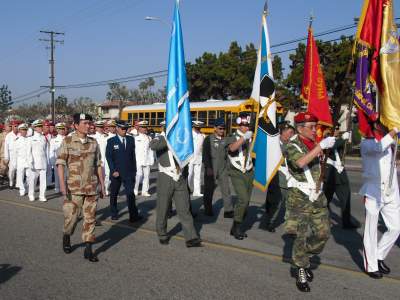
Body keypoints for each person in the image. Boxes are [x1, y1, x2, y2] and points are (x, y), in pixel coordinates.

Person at [285, 112, 336, 292]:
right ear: (300, 129)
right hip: (299, 197)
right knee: (300, 236)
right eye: (312, 127)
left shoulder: (314, 143)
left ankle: (304, 257)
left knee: (323, 234)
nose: (315, 130)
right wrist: (320, 146)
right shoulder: (292, 145)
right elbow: (300, 163)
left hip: (317, 197)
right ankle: (300, 267)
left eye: (316, 127)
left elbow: (320, 162)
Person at [56, 113, 105, 262]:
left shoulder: (94, 143)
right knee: (72, 217)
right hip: (74, 188)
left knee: (90, 218)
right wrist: (63, 187)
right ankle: (66, 236)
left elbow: (98, 165)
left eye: (90, 123)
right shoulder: (68, 141)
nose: (88, 125)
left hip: (91, 187)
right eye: (84, 123)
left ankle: (88, 249)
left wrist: (102, 185)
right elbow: (60, 164)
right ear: (76, 125)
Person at [360, 122, 400, 279]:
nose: (386, 126)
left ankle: (378, 255)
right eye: (382, 123)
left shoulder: (390, 141)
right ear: (375, 126)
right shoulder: (367, 143)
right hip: (374, 192)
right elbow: (378, 148)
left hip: (391, 192)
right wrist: (393, 131)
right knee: (370, 231)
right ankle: (371, 266)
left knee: (396, 228)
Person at [150, 130, 201, 247]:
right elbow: (153, 145)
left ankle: (191, 237)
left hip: (180, 177)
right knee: (163, 208)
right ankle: (162, 234)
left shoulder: (181, 138)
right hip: (166, 176)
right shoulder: (161, 138)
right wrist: (168, 139)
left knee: (185, 209)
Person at [225, 112, 254, 240]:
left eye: (248, 124)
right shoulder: (233, 136)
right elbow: (232, 148)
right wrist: (244, 138)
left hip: (249, 171)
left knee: (246, 202)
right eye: (244, 124)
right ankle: (237, 228)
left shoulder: (252, 136)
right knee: (242, 199)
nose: (246, 127)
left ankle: (235, 226)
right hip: (236, 171)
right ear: (238, 124)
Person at [106, 120, 142, 222]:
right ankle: (114, 212)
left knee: (131, 194)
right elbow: (109, 157)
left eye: (126, 128)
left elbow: (132, 156)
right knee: (114, 194)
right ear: (117, 128)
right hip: (116, 173)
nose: (124, 130)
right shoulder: (111, 141)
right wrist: (113, 170)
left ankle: (133, 215)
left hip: (129, 172)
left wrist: (134, 170)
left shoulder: (131, 139)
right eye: (122, 128)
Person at [323, 126, 359, 229]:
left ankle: (346, 222)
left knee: (346, 200)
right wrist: (342, 139)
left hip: (340, 175)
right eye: (336, 128)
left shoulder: (338, 140)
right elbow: (330, 148)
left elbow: (350, 149)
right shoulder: (324, 140)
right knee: (325, 201)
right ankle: (322, 220)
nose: (338, 130)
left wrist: (349, 138)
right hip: (329, 175)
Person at [264, 123, 295, 232]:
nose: (290, 135)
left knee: (291, 204)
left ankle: (292, 228)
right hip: (278, 178)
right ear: (281, 133)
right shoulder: (275, 145)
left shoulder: (292, 145)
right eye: (289, 132)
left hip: (290, 179)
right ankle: (270, 222)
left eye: (292, 133)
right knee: (277, 202)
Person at [202, 118, 233, 217]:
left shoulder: (226, 139)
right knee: (209, 190)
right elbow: (205, 154)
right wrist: (208, 167)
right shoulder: (208, 139)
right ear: (214, 128)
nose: (222, 130)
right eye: (220, 128)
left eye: (223, 128)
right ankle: (208, 209)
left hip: (222, 168)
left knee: (226, 189)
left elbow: (237, 140)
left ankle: (228, 210)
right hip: (211, 167)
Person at [27, 120, 49, 202]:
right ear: (35, 128)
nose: (41, 128)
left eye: (41, 126)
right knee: (33, 180)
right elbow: (28, 152)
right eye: (39, 126)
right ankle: (31, 194)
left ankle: (42, 195)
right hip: (34, 163)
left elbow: (46, 151)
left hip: (43, 162)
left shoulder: (43, 138)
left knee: (43, 181)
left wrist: (48, 162)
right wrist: (30, 162)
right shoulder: (30, 139)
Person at [134, 120, 154, 197]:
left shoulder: (149, 138)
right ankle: (135, 189)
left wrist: (151, 159)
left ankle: (144, 191)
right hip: (138, 159)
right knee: (138, 175)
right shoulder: (135, 137)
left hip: (147, 159)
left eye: (145, 127)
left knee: (147, 176)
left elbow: (150, 150)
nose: (145, 129)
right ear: (139, 128)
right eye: (143, 127)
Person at [49, 123, 67, 193]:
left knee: (65, 175)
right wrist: (53, 162)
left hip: (66, 159)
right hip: (58, 160)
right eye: (60, 129)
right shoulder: (54, 140)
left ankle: (64, 188)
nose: (62, 131)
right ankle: (57, 187)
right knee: (57, 175)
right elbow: (51, 152)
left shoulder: (67, 138)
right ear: (57, 130)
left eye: (63, 129)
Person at [188, 120, 205, 197]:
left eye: (199, 128)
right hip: (190, 158)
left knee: (198, 176)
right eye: (197, 128)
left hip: (198, 157)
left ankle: (197, 191)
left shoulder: (202, 135)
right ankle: (186, 190)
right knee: (189, 175)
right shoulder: (189, 134)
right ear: (193, 127)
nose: (198, 129)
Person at [4, 120, 20, 189]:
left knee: (19, 171)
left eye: (16, 126)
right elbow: (6, 147)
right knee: (11, 171)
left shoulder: (20, 134)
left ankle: (18, 184)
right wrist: (6, 157)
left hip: (19, 155)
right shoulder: (9, 136)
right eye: (14, 126)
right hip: (12, 155)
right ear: (12, 127)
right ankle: (11, 183)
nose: (15, 128)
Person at [15, 123, 29, 196]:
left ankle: (26, 185)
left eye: (25, 130)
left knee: (29, 175)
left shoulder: (29, 139)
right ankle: (22, 189)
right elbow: (15, 153)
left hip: (28, 160)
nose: (24, 131)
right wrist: (14, 163)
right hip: (20, 160)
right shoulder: (17, 140)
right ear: (19, 130)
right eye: (23, 130)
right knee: (20, 175)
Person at [104, 119, 116, 195]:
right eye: (111, 127)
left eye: (114, 127)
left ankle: (114, 190)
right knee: (108, 175)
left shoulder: (118, 136)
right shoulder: (106, 137)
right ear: (108, 128)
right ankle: (105, 189)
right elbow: (103, 150)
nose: (113, 128)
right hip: (108, 159)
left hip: (117, 159)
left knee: (116, 176)